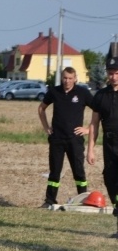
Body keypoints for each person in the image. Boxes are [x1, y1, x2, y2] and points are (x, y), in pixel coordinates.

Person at [38, 66, 92, 208]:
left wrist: (88, 129)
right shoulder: (54, 91)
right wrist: (46, 127)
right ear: (62, 78)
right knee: (55, 172)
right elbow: (41, 108)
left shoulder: (83, 93)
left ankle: (83, 200)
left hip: (75, 139)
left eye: (70, 78)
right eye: (65, 78)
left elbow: (98, 111)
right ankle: (50, 200)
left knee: (79, 171)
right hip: (57, 139)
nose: (67, 81)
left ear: (75, 79)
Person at [87, 43, 118, 237]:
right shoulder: (101, 96)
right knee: (109, 178)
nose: (113, 76)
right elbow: (94, 124)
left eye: (116, 73)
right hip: (109, 143)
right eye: (110, 73)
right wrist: (90, 149)